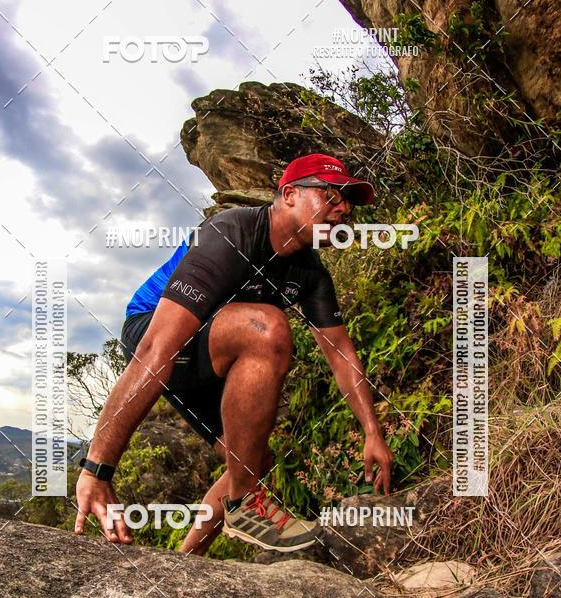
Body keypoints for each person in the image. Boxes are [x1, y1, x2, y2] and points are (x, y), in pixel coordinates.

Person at [74, 153, 393, 554]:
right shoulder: (231, 233)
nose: (343, 208)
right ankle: (245, 504)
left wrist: (372, 431)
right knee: (267, 327)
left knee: (251, 458)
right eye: (331, 194)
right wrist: (97, 469)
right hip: (151, 331)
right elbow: (156, 348)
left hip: (214, 351)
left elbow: (341, 353)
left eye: (348, 202)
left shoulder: (311, 273)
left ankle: (185, 563)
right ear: (289, 194)